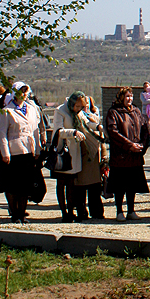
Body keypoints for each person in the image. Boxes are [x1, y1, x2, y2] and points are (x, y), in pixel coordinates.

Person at [52, 91, 106, 221]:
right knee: (62, 184)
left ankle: (72, 211)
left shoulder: (79, 112)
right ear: (72, 103)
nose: (78, 109)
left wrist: (98, 127)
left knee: (72, 185)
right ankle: (64, 213)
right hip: (63, 151)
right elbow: (58, 131)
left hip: (75, 152)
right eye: (77, 106)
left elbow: (86, 124)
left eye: (81, 107)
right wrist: (73, 132)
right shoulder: (60, 111)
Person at [0, 82, 43, 222]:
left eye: (25, 92)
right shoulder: (7, 110)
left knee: (25, 184)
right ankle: (15, 213)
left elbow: (35, 130)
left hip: (28, 149)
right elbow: (2, 133)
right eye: (21, 92)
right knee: (13, 185)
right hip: (13, 151)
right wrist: (5, 152)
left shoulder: (31, 109)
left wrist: (37, 149)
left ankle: (22, 213)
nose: (24, 94)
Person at [105, 87, 150, 221]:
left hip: (135, 156)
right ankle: (119, 211)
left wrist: (141, 146)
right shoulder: (113, 112)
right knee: (120, 186)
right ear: (121, 98)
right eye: (126, 96)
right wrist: (129, 145)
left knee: (132, 185)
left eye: (131, 96)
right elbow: (113, 132)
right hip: (120, 157)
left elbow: (145, 129)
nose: (129, 99)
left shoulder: (136, 111)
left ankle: (131, 210)